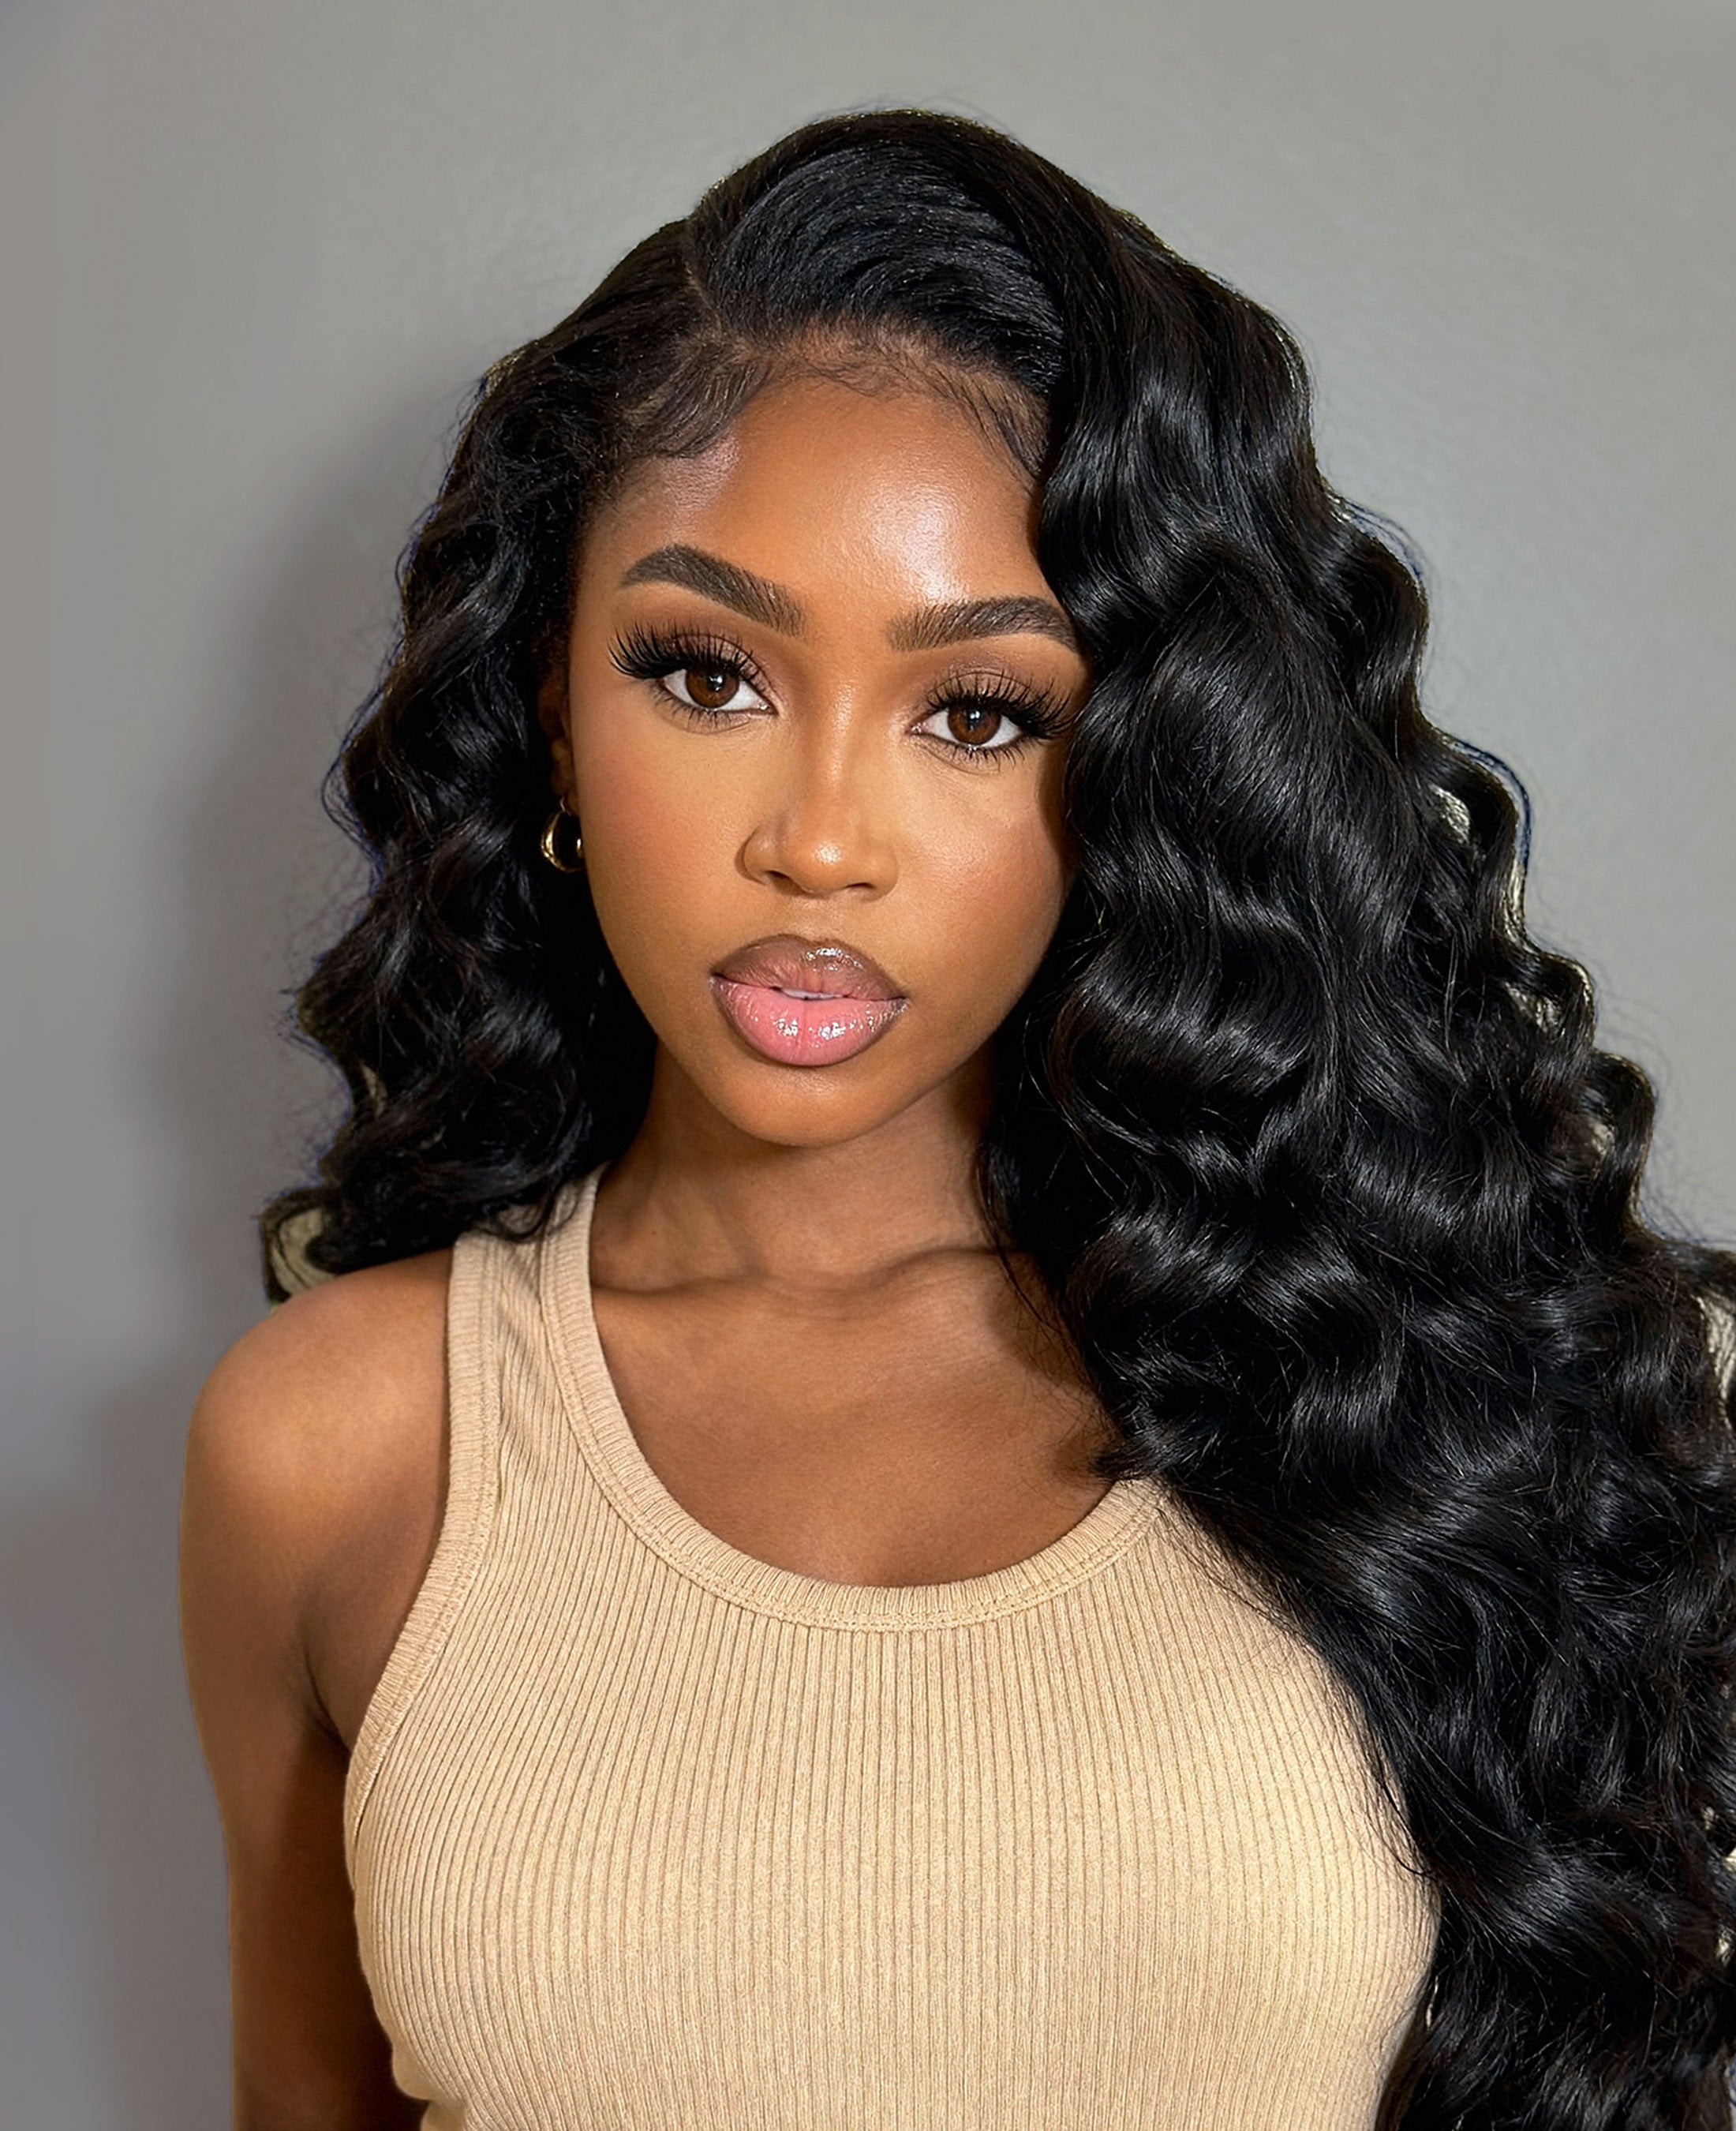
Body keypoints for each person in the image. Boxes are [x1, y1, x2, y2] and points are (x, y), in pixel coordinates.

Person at [178, 110, 1736, 2129]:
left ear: (1142, 771)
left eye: (978, 713)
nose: (818, 840)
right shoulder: (337, 1453)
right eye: (703, 672)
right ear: (556, 701)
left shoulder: (1451, 1390)